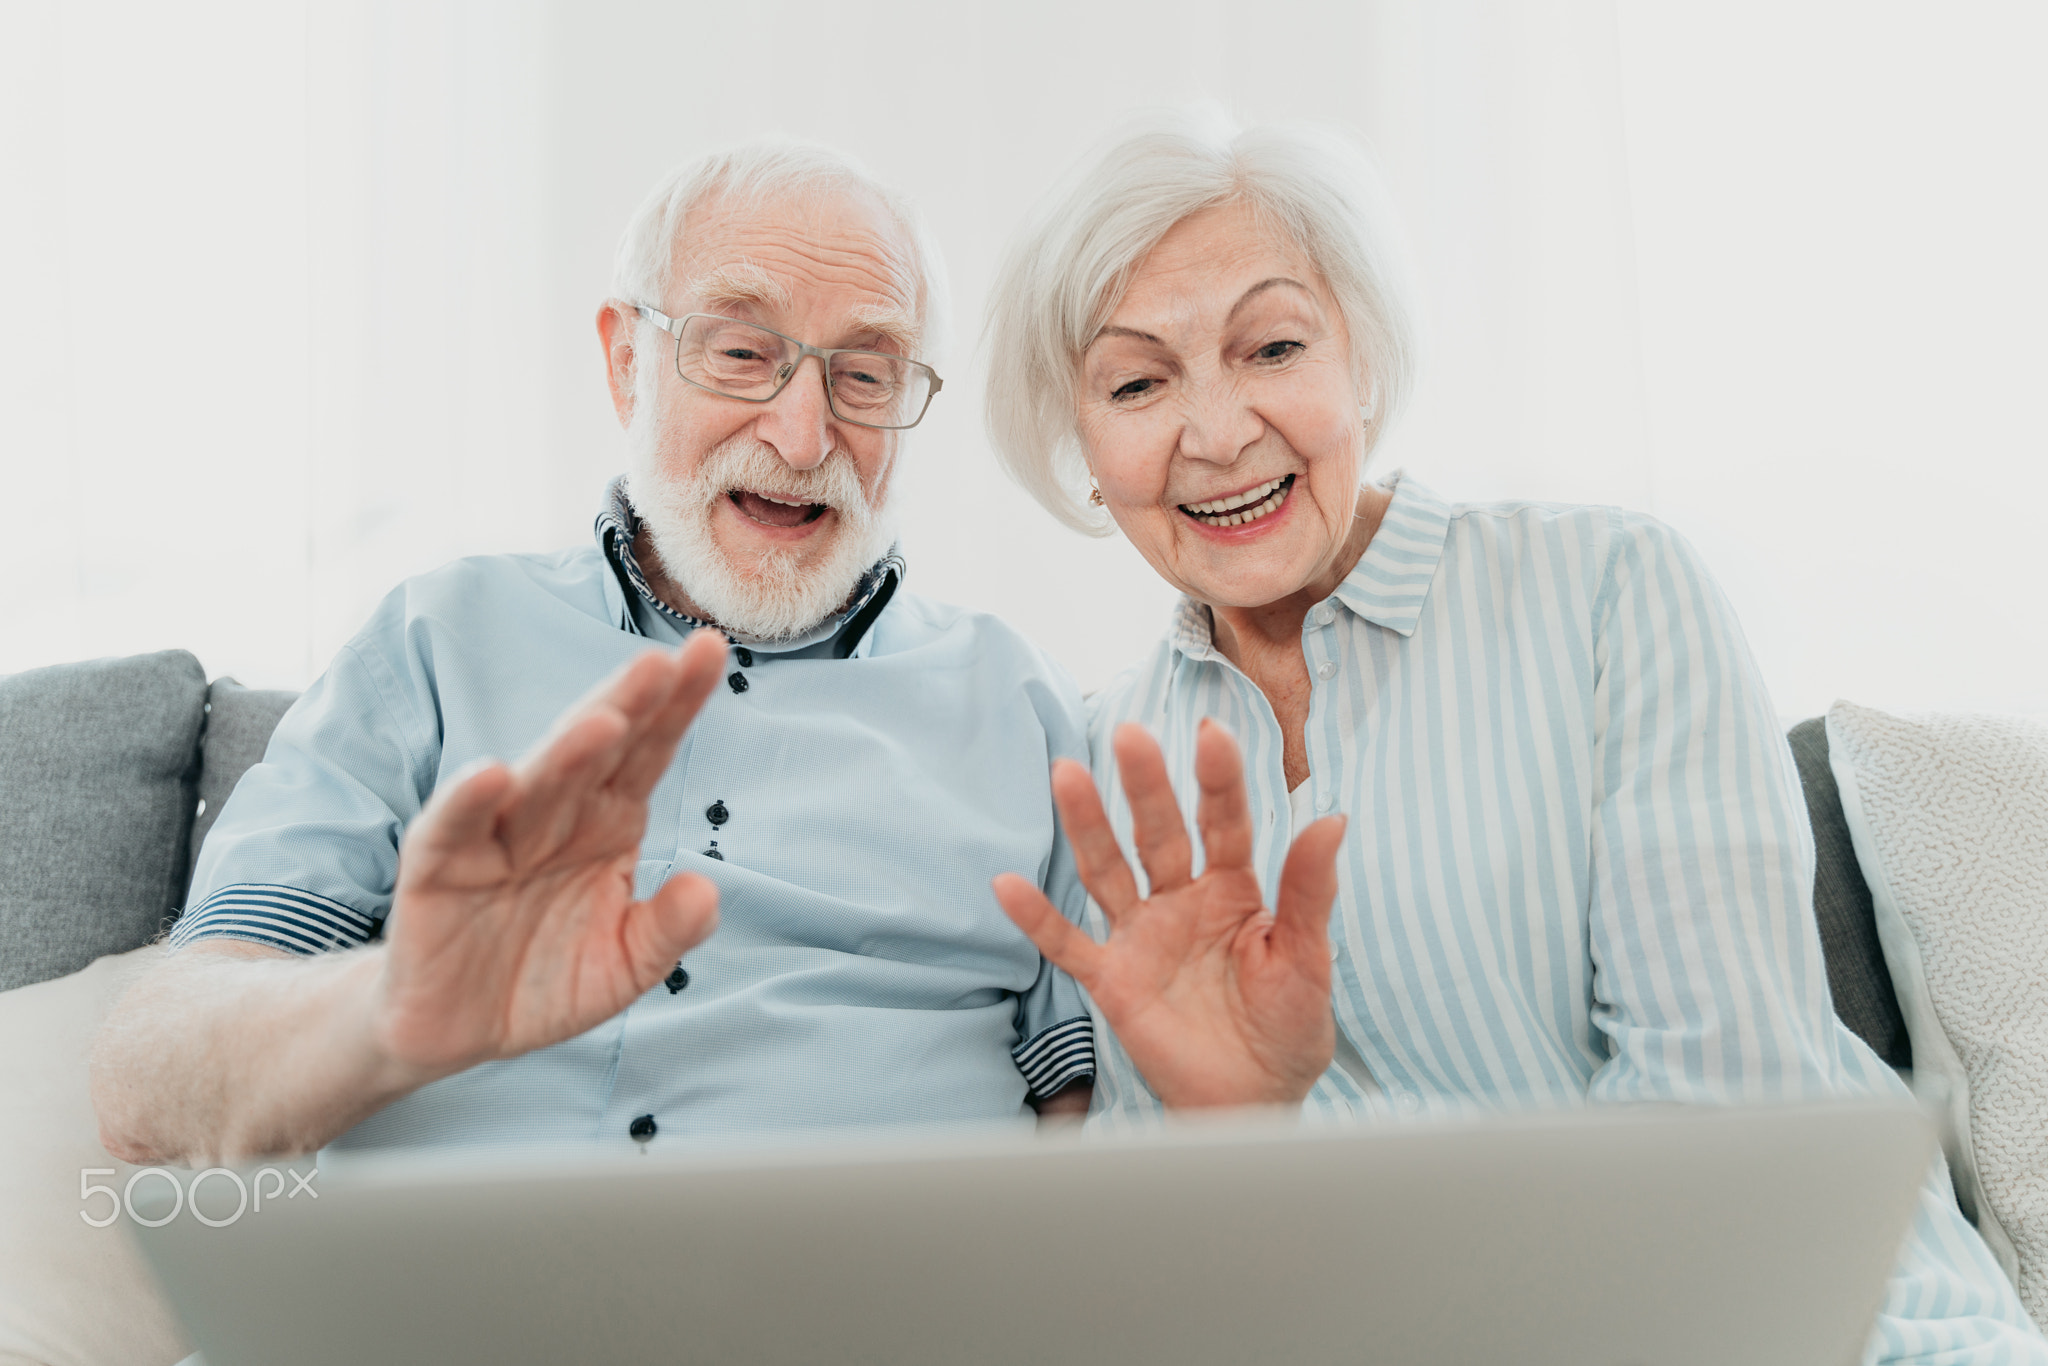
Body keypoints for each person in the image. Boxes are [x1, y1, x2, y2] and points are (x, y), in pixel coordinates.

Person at [981, 110, 2045, 1360]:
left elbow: (1720, 1132)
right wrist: (1224, 1140)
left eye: (1271, 345)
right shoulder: (1111, 761)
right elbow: (1164, 1261)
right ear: (1084, 447)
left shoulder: (1607, 592)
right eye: (1137, 381)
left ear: (1363, 357)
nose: (1214, 433)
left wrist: (1291, 1157)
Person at [91, 139, 1095, 1172]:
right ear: (625, 362)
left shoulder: (1019, 707)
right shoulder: (436, 640)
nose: (802, 436)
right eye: (741, 352)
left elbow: (1096, 1150)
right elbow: (145, 1084)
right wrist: (393, 1006)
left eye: (864, 373)